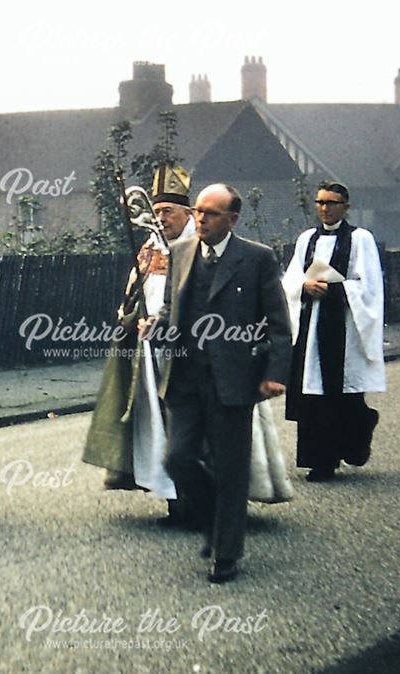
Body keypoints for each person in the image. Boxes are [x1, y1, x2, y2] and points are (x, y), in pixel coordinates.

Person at [146, 183, 292, 583]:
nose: (201, 219)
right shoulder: (179, 253)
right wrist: (156, 326)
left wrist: (276, 373)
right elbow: (170, 307)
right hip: (185, 378)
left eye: (211, 213)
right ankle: (215, 519)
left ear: (233, 219)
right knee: (177, 459)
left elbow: (278, 324)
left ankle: (226, 552)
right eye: (198, 211)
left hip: (233, 383)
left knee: (231, 470)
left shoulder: (256, 259)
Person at [83, 165, 195, 524]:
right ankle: (173, 498)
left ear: (188, 214)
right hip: (150, 351)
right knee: (159, 424)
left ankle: (196, 499)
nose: (162, 219)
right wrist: (133, 319)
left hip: (189, 351)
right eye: (157, 211)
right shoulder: (149, 248)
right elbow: (133, 296)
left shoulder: (196, 246)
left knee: (186, 424)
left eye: (169, 212)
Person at [282, 182, 385, 482]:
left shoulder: (360, 239)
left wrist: (335, 289)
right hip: (310, 325)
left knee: (341, 392)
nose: (325, 208)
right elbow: (290, 278)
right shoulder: (307, 239)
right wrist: (304, 286)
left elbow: (369, 286)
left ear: (346, 206)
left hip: (343, 327)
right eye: (320, 202)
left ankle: (360, 428)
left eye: (332, 203)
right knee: (313, 394)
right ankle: (321, 461)